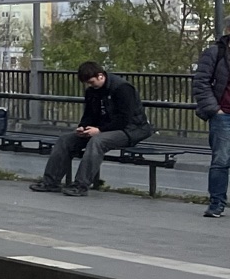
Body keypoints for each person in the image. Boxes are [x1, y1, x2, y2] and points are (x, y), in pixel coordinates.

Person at [31, 60, 154, 196]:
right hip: (103, 128)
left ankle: (81, 185)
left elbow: (124, 119)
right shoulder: (91, 91)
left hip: (131, 130)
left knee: (97, 141)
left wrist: (99, 130)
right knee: (65, 140)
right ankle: (50, 182)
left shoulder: (122, 88)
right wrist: (82, 128)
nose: (90, 86)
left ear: (100, 76)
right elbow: (89, 114)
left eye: (91, 82)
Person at [193, 30, 230, 219]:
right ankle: (216, 204)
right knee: (221, 161)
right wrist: (215, 110)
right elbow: (200, 82)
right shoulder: (215, 52)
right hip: (224, 115)